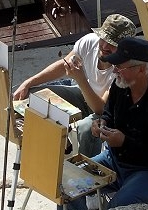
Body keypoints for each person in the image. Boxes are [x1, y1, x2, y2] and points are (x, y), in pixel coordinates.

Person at [60, 37, 148, 210]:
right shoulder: (120, 86)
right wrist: (101, 123)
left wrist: (124, 142)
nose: (114, 70)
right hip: (115, 159)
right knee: (64, 183)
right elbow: (109, 113)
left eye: (120, 67)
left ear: (141, 69)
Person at [13, 14, 136, 157]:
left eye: (113, 44)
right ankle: (47, 150)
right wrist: (29, 82)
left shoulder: (125, 69)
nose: (105, 46)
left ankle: (86, 170)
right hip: (84, 95)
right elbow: (64, 65)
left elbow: (100, 108)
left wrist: (80, 79)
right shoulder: (90, 42)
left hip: (108, 113)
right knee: (33, 95)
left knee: (86, 128)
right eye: (104, 39)